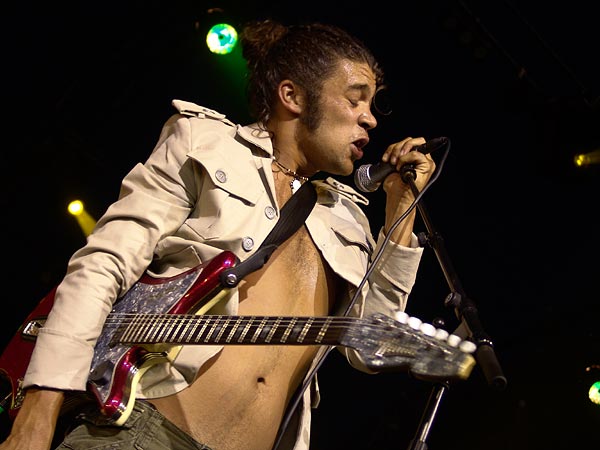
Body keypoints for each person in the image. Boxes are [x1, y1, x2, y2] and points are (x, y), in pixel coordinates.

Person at [0, 18, 436, 450]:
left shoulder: (347, 218)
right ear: (292, 97)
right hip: (139, 433)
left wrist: (402, 208)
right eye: (355, 100)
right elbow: (102, 268)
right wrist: (41, 407)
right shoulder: (205, 143)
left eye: (372, 105)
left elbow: (372, 345)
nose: (370, 119)